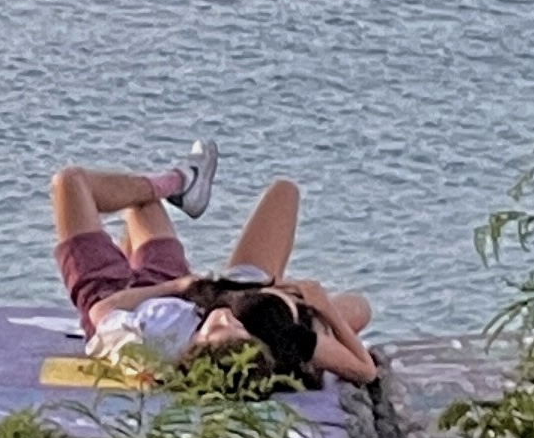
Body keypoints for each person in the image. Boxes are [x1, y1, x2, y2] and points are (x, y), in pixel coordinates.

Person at [48, 138, 378, 386]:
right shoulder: (275, 336)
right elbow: (364, 370)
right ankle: (180, 187)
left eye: (217, 329)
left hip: (116, 294)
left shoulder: (155, 345)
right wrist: (320, 306)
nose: (225, 318)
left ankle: (178, 182)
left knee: (71, 183)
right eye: (238, 327)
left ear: (196, 347)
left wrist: (177, 286)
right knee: (356, 309)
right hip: (190, 292)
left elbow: (103, 310)